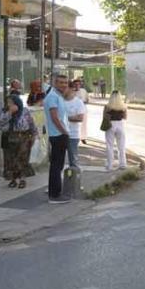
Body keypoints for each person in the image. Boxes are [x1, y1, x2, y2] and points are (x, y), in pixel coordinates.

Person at [0, 94, 38, 188]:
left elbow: (31, 123)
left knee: (22, 159)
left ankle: (22, 179)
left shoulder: (25, 111)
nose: (9, 104)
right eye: (8, 103)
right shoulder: (5, 112)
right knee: (11, 160)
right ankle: (13, 179)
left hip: (24, 137)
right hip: (10, 138)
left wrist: (34, 135)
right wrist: (10, 113)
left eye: (11, 103)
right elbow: (1, 123)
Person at [43, 74, 70, 203]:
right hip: (58, 135)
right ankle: (55, 195)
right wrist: (64, 132)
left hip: (59, 135)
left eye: (65, 82)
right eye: (61, 82)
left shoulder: (58, 96)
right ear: (55, 83)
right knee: (56, 166)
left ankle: (55, 192)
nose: (64, 85)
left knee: (58, 166)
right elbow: (54, 118)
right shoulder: (53, 97)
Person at [103, 90, 128, 171]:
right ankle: (122, 164)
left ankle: (110, 165)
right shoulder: (123, 106)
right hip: (120, 125)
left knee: (109, 145)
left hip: (110, 125)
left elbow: (105, 117)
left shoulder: (107, 106)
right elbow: (125, 117)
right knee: (121, 145)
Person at [64, 82, 86, 169]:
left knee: (73, 160)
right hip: (59, 134)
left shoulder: (78, 102)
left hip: (72, 135)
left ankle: (74, 180)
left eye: (65, 88)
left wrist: (65, 118)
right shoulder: (60, 100)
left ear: (71, 89)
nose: (63, 90)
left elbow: (80, 118)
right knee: (58, 160)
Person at [73, 78, 90, 144]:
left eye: (78, 84)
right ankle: (76, 136)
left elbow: (87, 99)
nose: (77, 86)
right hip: (74, 110)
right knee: (75, 124)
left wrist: (84, 102)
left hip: (83, 109)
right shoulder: (72, 91)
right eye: (75, 84)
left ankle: (83, 137)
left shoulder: (83, 91)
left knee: (84, 124)